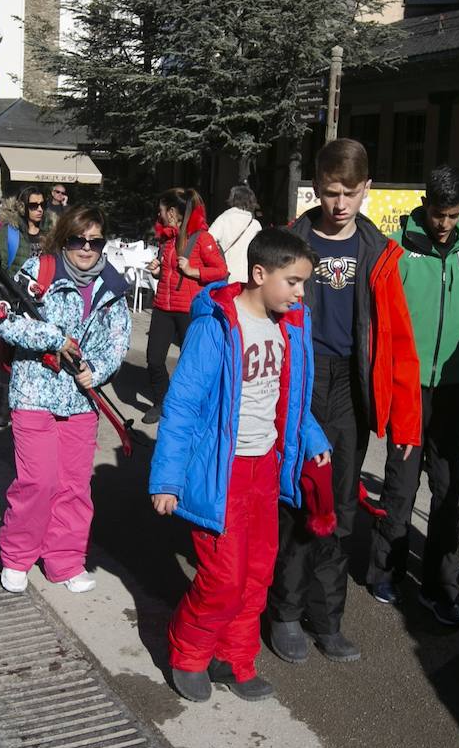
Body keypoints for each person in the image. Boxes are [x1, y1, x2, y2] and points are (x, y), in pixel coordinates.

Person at [150, 229, 331, 703]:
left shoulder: (289, 326)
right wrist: (167, 479)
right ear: (259, 273)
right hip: (221, 473)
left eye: (303, 283)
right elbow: (182, 405)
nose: (300, 293)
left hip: (265, 470)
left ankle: (234, 658)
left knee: (257, 573)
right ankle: (189, 654)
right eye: (293, 281)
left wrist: (313, 439)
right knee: (223, 579)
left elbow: (292, 401)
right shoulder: (217, 325)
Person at [268, 138, 421, 665]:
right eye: (331, 192)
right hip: (301, 380)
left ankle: (327, 616)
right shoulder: (290, 241)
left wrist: (406, 422)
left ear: (366, 189)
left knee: (340, 507)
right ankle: (286, 612)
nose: (340, 204)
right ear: (316, 187)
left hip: (352, 387)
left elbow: (398, 341)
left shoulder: (379, 252)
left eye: (350, 194)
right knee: (297, 499)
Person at [365, 165, 459, 625]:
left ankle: (441, 586)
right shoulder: (397, 247)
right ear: (425, 205)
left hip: (455, 389)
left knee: (448, 488)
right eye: (439, 213)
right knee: (401, 483)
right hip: (408, 386)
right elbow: (381, 323)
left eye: (453, 215)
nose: (444, 223)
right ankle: (385, 570)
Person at [0, 205, 133, 594]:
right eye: (77, 239)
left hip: (82, 399)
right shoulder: (41, 270)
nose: (86, 248)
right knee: (38, 481)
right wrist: (54, 338)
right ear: (64, 238)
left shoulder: (112, 285)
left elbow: (118, 339)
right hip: (34, 392)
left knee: (74, 487)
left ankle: (65, 560)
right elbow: (4, 319)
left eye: (95, 242)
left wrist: (97, 371)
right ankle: (17, 554)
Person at [144, 189, 227, 424]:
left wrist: (193, 270)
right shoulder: (167, 238)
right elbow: (169, 272)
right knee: (154, 359)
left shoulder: (202, 238)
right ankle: (161, 402)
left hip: (188, 310)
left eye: (161, 211)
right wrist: (158, 271)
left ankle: (187, 406)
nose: (159, 216)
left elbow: (221, 270)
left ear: (172, 212)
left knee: (190, 363)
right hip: (163, 306)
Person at [0, 187, 50, 427]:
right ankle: (4, 404)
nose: (39, 210)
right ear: (23, 207)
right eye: (34, 205)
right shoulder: (10, 233)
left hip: (42, 305)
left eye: (42, 205)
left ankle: (32, 404)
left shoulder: (50, 234)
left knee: (36, 356)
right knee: (10, 356)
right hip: (14, 302)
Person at [209, 185, 264, 284]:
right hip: (248, 276)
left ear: (232, 199)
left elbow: (208, 240)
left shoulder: (223, 219)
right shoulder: (255, 225)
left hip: (225, 275)